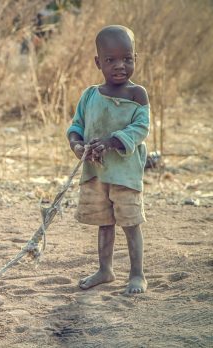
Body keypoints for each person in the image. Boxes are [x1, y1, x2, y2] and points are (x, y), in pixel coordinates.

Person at [67, 25, 149, 294]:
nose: (120, 66)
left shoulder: (137, 94)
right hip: (97, 174)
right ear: (98, 62)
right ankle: (105, 270)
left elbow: (141, 128)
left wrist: (112, 141)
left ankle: (137, 274)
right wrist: (78, 146)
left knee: (130, 223)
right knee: (105, 223)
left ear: (135, 58)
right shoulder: (90, 95)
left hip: (125, 174)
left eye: (127, 58)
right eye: (111, 60)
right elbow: (76, 126)